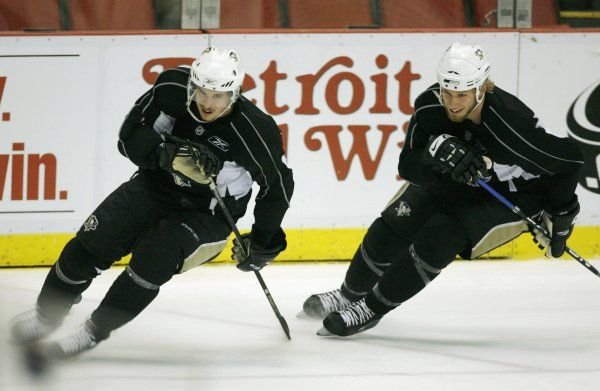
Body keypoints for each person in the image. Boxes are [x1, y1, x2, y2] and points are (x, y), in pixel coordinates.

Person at [10, 47, 294, 357]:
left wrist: (263, 242)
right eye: (201, 91)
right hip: (154, 186)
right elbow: (128, 135)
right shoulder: (170, 89)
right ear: (191, 85)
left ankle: (93, 331)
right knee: (90, 244)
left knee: (153, 259)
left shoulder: (255, 130)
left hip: (207, 213)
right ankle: (45, 315)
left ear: (234, 93)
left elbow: (277, 188)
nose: (207, 103)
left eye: (218, 96)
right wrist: (166, 155)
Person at [301, 42, 583, 337]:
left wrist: (562, 214)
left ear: (482, 89)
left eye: (461, 94)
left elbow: (571, 160)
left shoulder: (510, 124)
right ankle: (349, 295)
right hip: (458, 180)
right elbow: (408, 167)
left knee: (440, 236)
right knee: (397, 219)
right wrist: (431, 157)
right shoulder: (430, 106)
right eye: (447, 91)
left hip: (511, 193)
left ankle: (369, 309)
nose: (452, 102)